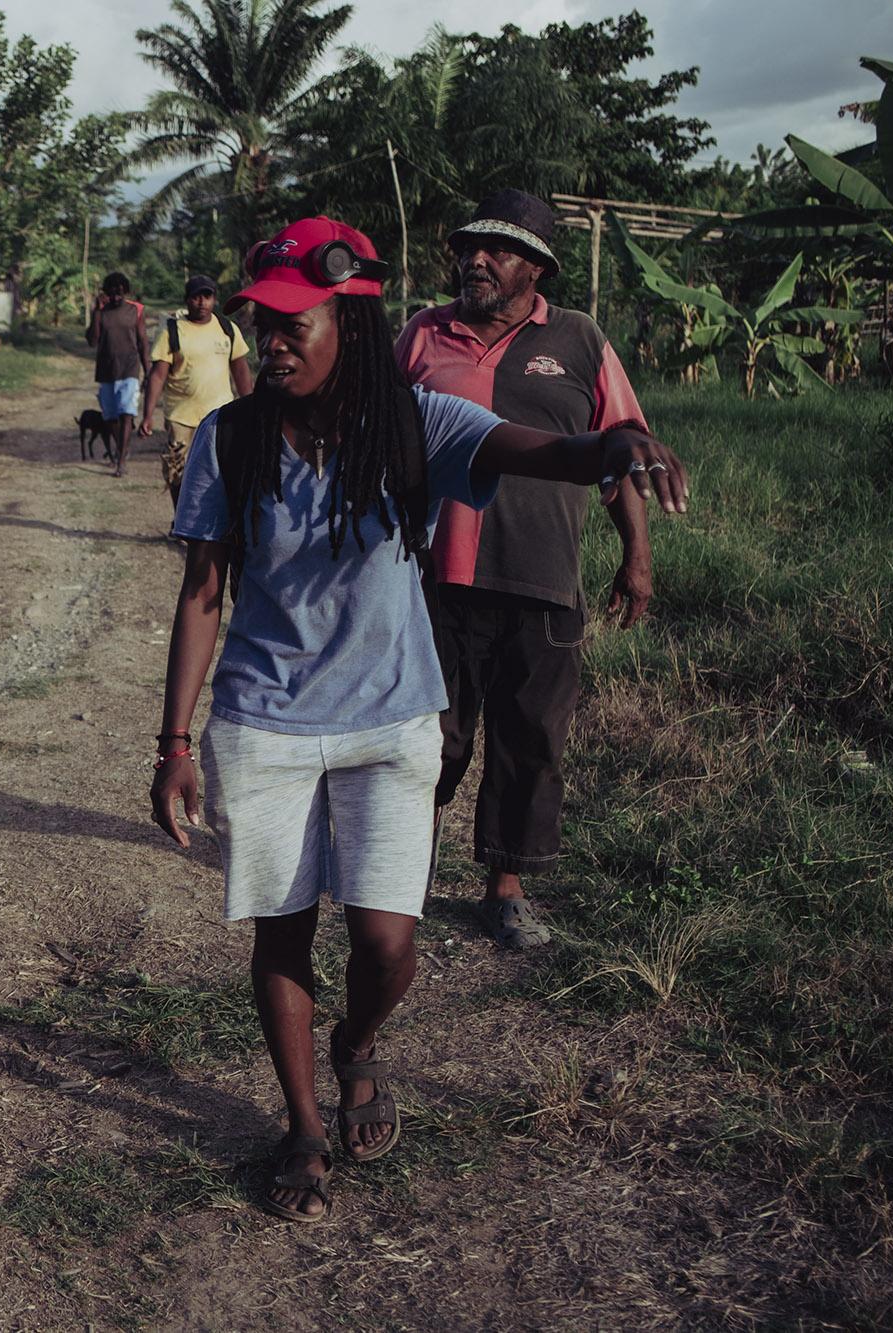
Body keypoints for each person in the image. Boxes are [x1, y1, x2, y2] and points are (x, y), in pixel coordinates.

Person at [150, 218, 685, 1224]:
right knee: (281, 933)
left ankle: (355, 1042)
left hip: (392, 717)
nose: (267, 344)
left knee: (388, 940)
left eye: (287, 327)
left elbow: (543, 449)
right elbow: (200, 593)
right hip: (262, 722)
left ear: (346, 324)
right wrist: (172, 742)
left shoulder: (413, 422)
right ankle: (302, 1125)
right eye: (259, 325)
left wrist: (610, 443)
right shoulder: (231, 435)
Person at [398, 189, 655, 950]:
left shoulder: (578, 341)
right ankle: (403, 872)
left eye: (498, 249)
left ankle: (504, 889)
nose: (476, 258)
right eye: (470, 246)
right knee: (426, 737)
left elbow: (622, 446)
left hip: (543, 577)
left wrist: (636, 556)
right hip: (435, 577)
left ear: (536, 269)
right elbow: (375, 434)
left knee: (530, 737)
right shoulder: (422, 333)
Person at [138, 274, 254, 504]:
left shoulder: (227, 328)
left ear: (214, 300)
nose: (202, 302)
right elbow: (158, 375)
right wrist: (148, 415)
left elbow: (240, 370)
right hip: (181, 416)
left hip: (221, 414)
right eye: (196, 297)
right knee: (177, 472)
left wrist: (251, 406)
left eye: (207, 296)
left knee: (223, 469)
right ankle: (181, 521)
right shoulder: (172, 331)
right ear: (187, 300)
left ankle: (218, 525)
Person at [86, 271, 149, 477]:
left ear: (126, 291)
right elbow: (93, 341)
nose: (115, 297)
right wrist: (96, 310)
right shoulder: (101, 313)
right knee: (111, 417)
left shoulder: (135, 311)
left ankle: (121, 461)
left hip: (129, 369)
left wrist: (148, 370)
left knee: (127, 414)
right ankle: (122, 447)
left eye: (119, 293)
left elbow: (142, 342)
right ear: (105, 293)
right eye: (111, 293)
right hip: (106, 372)